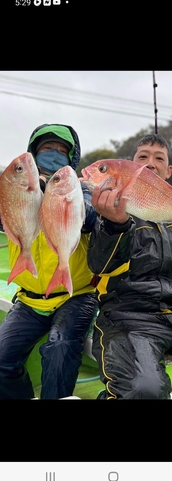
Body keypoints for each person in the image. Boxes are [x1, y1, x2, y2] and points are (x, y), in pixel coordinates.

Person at [87, 133, 172, 399]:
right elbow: (99, 266)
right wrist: (115, 226)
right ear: (131, 166)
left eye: (159, 158)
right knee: (143, 390)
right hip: (129, 320)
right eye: (142, 157)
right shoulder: (109, 212)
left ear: (168, 171)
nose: (150, 163)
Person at [0, 123, 98, 399]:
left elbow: (90, 217)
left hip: (76, 294)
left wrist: (74, 203)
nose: (54, 154)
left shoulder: (79, 187)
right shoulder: (13, 189)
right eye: (47, 149)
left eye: (61, 151)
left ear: (71, 158)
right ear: (34, 152)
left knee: (59, 348)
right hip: (30, 299)